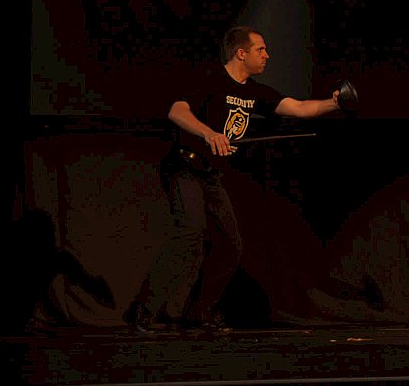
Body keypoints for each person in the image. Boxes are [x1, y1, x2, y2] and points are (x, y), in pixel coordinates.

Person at [126, 25, 344, 334]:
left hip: (210, 176)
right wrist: (209, 133)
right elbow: (177, 111)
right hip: (184, 167)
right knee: (190, 232)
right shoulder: (209, 79)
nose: (267, 55)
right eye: (260, 49)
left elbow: (298, 108)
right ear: (241, 53)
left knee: (230, 246)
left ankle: (198, 313)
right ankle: (143, 311)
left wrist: (334, 103)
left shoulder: (255, 92)